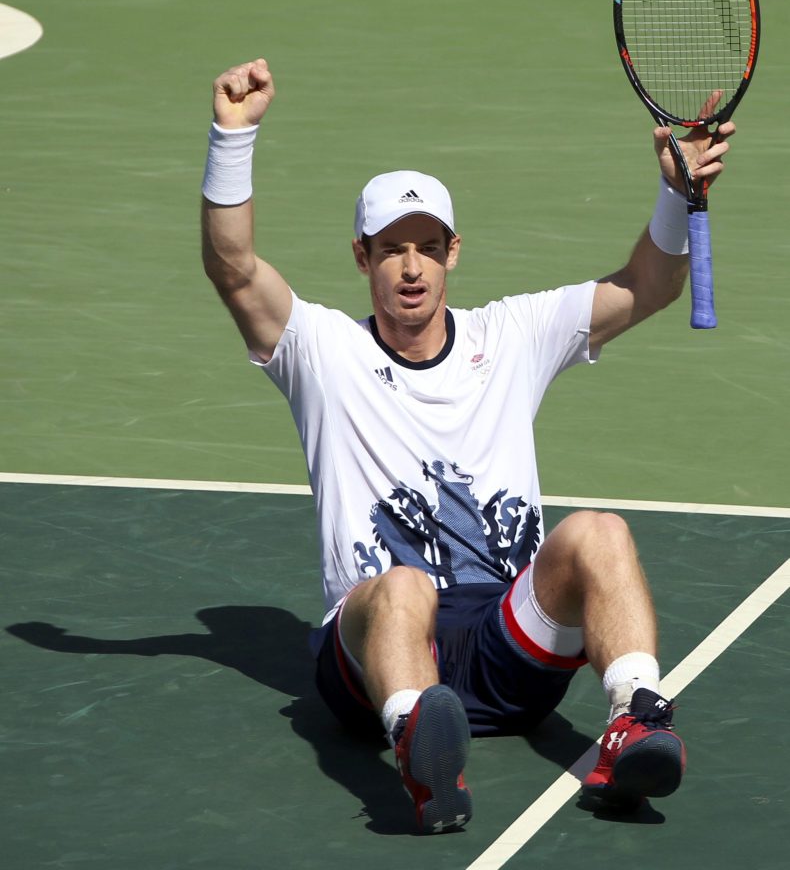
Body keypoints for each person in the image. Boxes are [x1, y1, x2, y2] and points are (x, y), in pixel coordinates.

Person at [200, 58, 734, 834]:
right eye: (390, 249)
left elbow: (646, 286)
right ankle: (423, 748)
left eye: (426, 246)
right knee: (403, 585)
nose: (410, 267)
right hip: (379, 643)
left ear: (452, 252)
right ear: (362, 258)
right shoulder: (321, 351)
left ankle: (635, 718)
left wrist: (676, 192)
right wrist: (232, 136)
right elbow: (233, 266)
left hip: (508, 642)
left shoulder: (511, 335)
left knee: (599, 532)